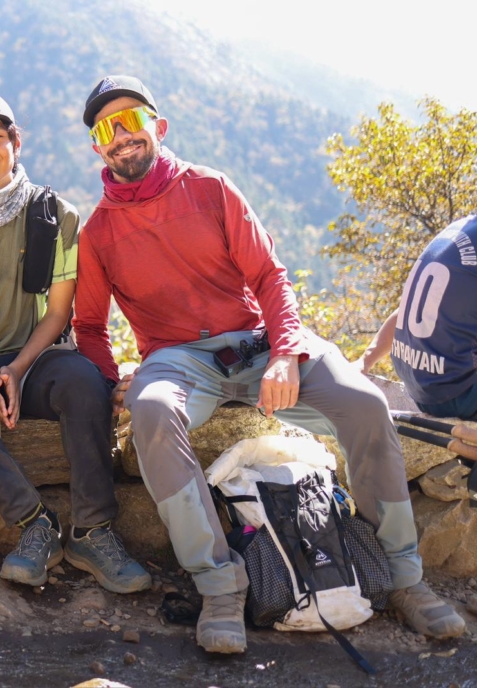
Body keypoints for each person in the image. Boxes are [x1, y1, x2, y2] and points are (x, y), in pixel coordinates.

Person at [73, 75, 466, 653]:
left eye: (132, 120)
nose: (122, 136)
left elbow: (269, 276)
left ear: (159, 126)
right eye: (107, 129)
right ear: (96, 148)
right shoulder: (100, 231)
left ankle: (404, 579)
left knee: (364, 403)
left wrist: (285, 352)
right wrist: (111, 382)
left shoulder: (210, 189)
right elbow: (88, 325)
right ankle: (220, 589)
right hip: (179, 360)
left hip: (259, 341)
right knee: (152, 410)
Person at [0, 93, 151, 593]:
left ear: (16, 143)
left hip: (37, 356)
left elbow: (61, 312)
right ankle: (34, 522)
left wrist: (18, 369)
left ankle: (92, 530)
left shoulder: (56, 215)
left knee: (84, 383)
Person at [355, 214, 477, 419]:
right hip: (460, 393)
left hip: (420, 389)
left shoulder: (456, 229)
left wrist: (365, 361)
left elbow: (406, 309)